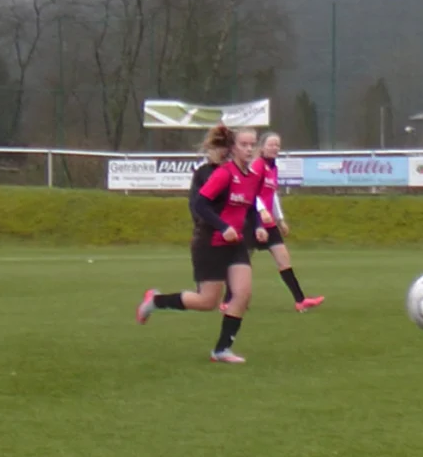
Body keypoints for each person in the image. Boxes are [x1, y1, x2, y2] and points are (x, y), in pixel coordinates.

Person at [136, 124, 263, 363]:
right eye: (243, 144)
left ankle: (222, 349)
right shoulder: (223, 173)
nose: (249, 149)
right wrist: (223, 227)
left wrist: (257, 226)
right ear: (232, 148)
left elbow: (250, 205)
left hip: (235, 244)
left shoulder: (252, 177)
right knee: (207, 302)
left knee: (243, 294)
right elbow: (199, 205)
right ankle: (155, 301)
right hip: (210, 242)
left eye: (252, 145)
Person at [253, 132, 323, 312]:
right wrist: (261, 211)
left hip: (268, 223)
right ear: (262, 147)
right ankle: (227, 301)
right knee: (241, 263)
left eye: (278, 145)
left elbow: (272, 194)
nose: (275, 148)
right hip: (251, 222)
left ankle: (300, 300)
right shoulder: (257, 165)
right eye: (271, 144)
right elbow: (250, 192)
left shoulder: (273, 168)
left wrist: (280, 219)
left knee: (284, 260)